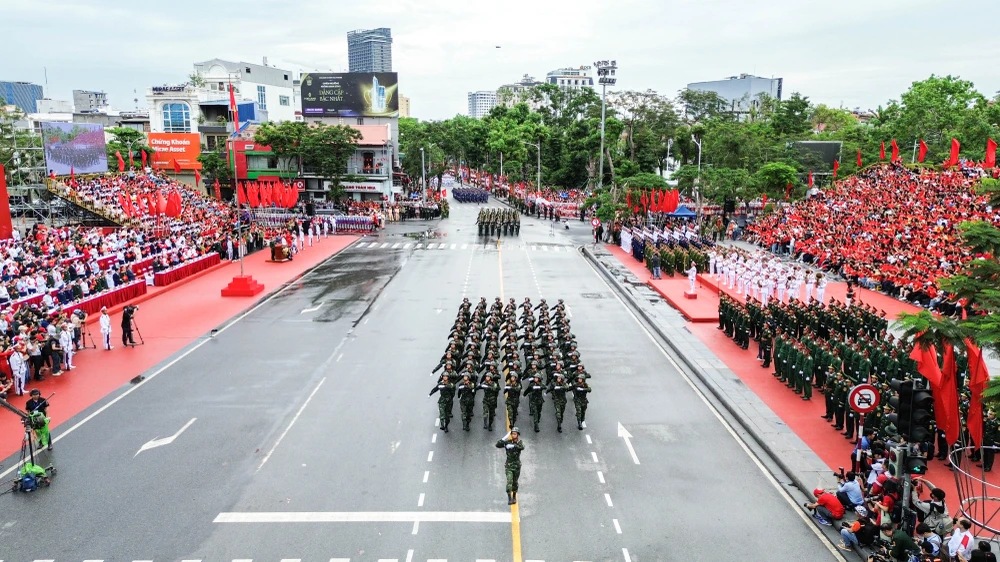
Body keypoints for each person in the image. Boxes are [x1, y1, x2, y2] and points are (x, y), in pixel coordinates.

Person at [495, 427, 524, 505]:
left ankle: (514, 496)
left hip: (517, 466)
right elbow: (497, 445)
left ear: (517, 435)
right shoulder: (508, 442)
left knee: (515, 482)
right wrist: (504, 438)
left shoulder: (519, 442)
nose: (513, 435)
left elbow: (522, 447)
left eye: (515, 434)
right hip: (509, 466)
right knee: (509, 481)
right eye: (512, 434)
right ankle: (509, 498)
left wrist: (513, 446)